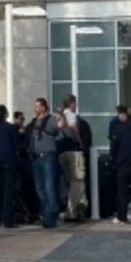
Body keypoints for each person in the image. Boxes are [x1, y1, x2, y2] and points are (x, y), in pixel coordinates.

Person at [26, 97, 61, 228]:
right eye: (34, 106)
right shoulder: (34, 122)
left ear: (43, 107)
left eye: (37, 106)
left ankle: (51, 216)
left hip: (48, 157)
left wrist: (62, 114)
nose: (34, 108)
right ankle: (45, 214)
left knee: (49, 187)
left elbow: (61, 126)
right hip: (36, 158)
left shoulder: (51, 120)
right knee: (40, 189)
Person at [0, 104, 22, 228]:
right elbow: (17, 145)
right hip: (9, 160)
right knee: (9, 191)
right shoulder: (10, 128)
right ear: (5, 114)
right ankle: (7, 220)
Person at [56, 94, 86, 222]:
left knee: (69, 182)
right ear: (72, 103)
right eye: (75, 103)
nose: (76, 105)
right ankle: (73, 211)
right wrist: (80, 140)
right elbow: (73, 128)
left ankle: (73, 208)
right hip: (73, 152)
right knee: (77, 182)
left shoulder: (58, 116)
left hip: (61, 152)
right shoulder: (72, 115)